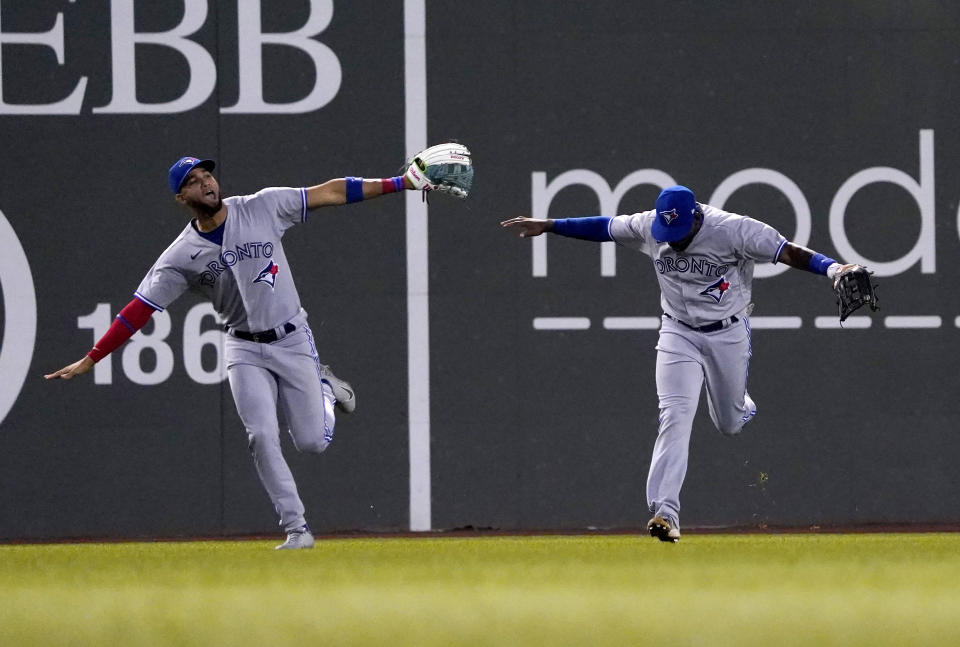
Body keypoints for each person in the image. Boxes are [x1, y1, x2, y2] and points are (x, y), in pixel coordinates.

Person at [46, 155, 421, 549]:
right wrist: (93, 357)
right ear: (181, 197)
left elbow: (332, 190)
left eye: (207, 174)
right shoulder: (180, 255)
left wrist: (401, 183)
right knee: (260, 435)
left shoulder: (262, 206)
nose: (206, 182)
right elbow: (139, 309)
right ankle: (297, 529)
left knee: (311, 442)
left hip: (292, 338)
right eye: (193, 180)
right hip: (242, 347)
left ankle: (326, 387)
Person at [501, 185, 858, 543]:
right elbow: (604, 227)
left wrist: (832, 269)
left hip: (727, 333)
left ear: (696, 217)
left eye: (679, 232)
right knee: (675, 415)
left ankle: (743, 406)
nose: (672, 239)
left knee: (730, 423)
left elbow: (786, 251)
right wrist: (549, 225)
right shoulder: (649, 225)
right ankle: (665, 514)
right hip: (677, 332)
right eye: (666, 232)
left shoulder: (733, 229)